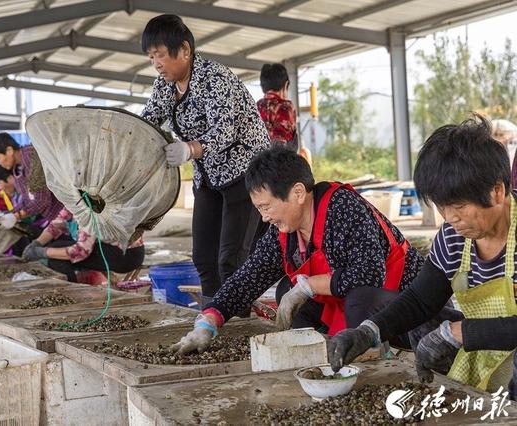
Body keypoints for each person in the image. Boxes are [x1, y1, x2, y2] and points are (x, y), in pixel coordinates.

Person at [170, 146, 445, 355]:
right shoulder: (283, 233)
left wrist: (308, 286)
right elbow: (246, 279)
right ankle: (323, 351)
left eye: (266, 207)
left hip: (406, 309)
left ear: (298, 193)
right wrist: (209, 320)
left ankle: (372, 357)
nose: (264, 218)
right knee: (285, 291)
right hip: (349, 309)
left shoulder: (343, 209)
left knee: (356, 297)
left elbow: (368, 275)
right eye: (259, 209)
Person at [328, 115, 517, 399]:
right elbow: (420, 299)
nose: (451, 218)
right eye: (442, 207)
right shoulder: (454, 236)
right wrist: (368, 332)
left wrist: (458, 332)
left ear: (497, 191)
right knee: (418, 323)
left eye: (459, 206)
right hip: (488, 350)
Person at [140, 14, 271, 304]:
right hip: (208, 176)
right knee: (203, 257)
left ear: (184, 50)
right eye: (151, 57)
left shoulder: (214, 78)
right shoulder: (165, 85)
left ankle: (238, 322)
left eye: (161, 55)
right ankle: (213, 318)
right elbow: (148, 120)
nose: (157, 63)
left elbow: (225, 130)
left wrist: (188, 149)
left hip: (244, 174)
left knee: (231, 259)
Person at [22, 207, 145, 283]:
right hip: (111, 249)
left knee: (56, 256)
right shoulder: (72, 203)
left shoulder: (88, 210)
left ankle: (74, 293)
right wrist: (37, 243)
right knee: (57, 246)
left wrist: (41, 252)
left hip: (127, 256)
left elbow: (80, 252)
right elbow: (56, 226)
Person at [0, 133, 63, 230]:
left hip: (65, 215)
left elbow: (41, 200)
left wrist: (16, 216)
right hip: (57, 219)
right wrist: (6, 214)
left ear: (9, 150)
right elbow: (28, 200)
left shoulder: (31, 157)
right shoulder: (18, 168)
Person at [257, 63, 298, 152]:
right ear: (286, 85)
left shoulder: (255, 107)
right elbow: (281, 143)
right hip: (280, 163)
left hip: (257, 163)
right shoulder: (285, 106)